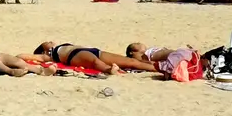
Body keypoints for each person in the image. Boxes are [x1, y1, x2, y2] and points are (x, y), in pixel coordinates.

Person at [30, 41, 161, 74]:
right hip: (74, 55)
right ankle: (109, 70)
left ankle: (159, 67)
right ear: (44, 49)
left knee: (131, 61)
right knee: (95, 63)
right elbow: (22, 56)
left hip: (90, 50)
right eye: (46, 42)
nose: (50, 41)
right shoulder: (47, 56)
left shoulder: (60, 45)